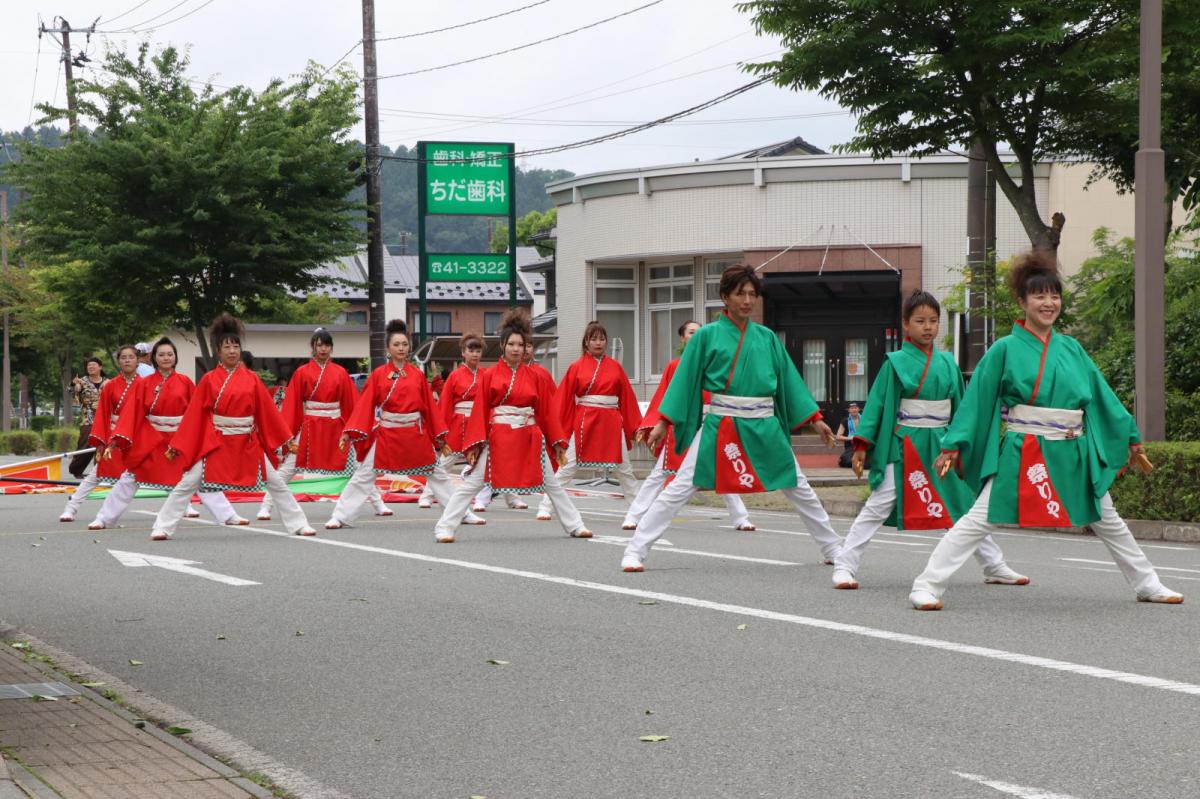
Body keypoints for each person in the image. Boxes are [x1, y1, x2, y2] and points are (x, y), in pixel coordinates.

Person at [909, 252, 1182, 609]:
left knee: (1108, 519)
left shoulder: (1071, 348)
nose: (1049, 303)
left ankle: (1147, 583)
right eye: (1039, 296)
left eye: (1054, 295)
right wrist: (954, 444)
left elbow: (1101, 395)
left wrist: (1129, 437)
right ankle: (926, 585)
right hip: (1025, 448)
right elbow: (977, 400)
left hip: (1072, 449)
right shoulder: (1004, 349)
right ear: (1022, 302)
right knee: (979, 519)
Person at [622, 264, 844, 572]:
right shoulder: (706, 336)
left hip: (764, 423)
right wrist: (663, 422)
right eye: (741, 294)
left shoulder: (767, 338)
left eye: (752, 294)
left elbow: (789, 381)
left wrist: (815, 419)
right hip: (721, 422)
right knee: (679, 487)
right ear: (725, 296)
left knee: (799, 487)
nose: (748, 300)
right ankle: (636, 549)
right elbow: (684, 381)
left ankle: (832, 547)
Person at [831, 291, 1028, 590]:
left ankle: (993, 565)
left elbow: (962, 407)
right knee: (879, 503)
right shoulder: (895, 363)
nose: (927, 327)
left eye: (933, 321)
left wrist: (959, 443)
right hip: (904, 444)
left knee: (962, 504)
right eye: (920, 321)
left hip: (941, 442)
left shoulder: (948, 362)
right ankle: (845, 565)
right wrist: (861, 445)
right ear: (906, 324)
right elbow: (877, 405)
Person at [149, 314, 316, 540]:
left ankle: (299, 524)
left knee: (276, 483)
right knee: (188, 483)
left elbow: (267, 411)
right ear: (218, 351)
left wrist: (285, 438)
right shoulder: (209, 379)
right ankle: (163, 526)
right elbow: (195, 415)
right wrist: (179, 444)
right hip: (217, 442)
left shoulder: (252, 379)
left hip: (247, 442)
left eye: (236, 346)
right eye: (226, 347)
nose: (232, 351)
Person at [433, 310, 591, 543]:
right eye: (512, 344)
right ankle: (445, 527)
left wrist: (557, 441)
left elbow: (546, 412)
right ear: (503, 345)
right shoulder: (490, 375)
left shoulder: (536, 376)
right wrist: (475, 443)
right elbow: (480, 410)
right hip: (499, 437)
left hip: (530, 436)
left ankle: (575, 525)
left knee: (552, 484)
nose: (517, 349)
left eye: (521, 344)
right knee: (474, 483)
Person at [88, 337, 243, 530]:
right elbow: (132, 412)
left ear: (175, 357)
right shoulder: (144, 384)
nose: (166, 358)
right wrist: (118, 437)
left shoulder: (185, 382)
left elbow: (197, 412)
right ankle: (104, 518)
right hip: (151, 439)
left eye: (170, 354)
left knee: (200, 476)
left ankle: (227, 515)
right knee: (130, 477)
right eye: (161, 354)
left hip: (179, 439)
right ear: (154, 358)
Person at [325, 319, 467, 529]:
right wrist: (350, 431)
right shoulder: (378, 375)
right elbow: (364, 405)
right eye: (396, 344)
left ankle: (461, 513)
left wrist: (440, 437)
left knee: (437, 474)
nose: (401, 348)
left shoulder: (417, 375)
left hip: (414, 433)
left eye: (405, 344)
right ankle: (341, 516)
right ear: (388, 349)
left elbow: (429, 407)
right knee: (364, 475)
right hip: (387, 433)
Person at [622, 319, 754, 532]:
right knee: (661, 472)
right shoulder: (675, 366)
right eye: (691, 332)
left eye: (699, 332)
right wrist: (656, 423)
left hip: (711, 423)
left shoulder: (716, 364)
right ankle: (634, 516)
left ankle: (741, 518)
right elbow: (665, 396)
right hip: (682, 425)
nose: (695, 336)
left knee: (723, 470)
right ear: (683, 338)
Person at [257, 329, 391, 521]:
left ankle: (378, 503)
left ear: (331, 348)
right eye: (319, 345)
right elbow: (293, 403)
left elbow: (351, 402)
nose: (323, 349)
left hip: (337, 427)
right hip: (310, 426)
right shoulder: (302, 372)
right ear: (313, 347)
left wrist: (352, 428)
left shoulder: (340, 373)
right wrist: (288, 434)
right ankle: (266, 505)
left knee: (357, 467)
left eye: (327, 345)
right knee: (289, 467)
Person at [537, 321, 642, 521]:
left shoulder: (616, 368)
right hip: (585, 421)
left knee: (624, 469)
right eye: (593, 339)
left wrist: (636, 426)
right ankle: (546, 505)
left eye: (602, 339)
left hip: (611, 421)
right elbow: (563, 398)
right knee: (568, 467)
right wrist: (556, 429)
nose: (598, 343)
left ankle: (638, 511)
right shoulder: (576, 367)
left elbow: (627, 397)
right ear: (586, 342)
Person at [59, 347, 139, 522]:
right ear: (118, 362)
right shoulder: (110, 385)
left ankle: (185, 506)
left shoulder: (145, 384)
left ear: (137, 360)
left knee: (161, 470)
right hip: (115, 436)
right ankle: (71, 507)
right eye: (123, 357)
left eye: (131, 357)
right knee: (97, 473)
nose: (127, 360)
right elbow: (103, 413)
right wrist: (102, 437)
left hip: (138, 436)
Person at [65, 357, 107, 482]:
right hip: (88, 419)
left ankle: (99, 471)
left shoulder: (108, 382)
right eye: (89, 365)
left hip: (106, 419)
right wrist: (74, 385)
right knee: (85, 445)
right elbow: (71, 390)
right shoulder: (82, 381)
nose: (91, 367)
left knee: (103, 446)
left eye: (94, 365)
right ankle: (76, 469)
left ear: (100, 367)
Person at [835, 402, 862, 468]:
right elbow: (838, 436)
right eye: (852, 408)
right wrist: (851, 438)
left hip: (862, 445)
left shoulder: (864, 420)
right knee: (847, 462)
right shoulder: (845, 421)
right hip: (851, 447)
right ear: (849, 410)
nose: (854, 410)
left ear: (859, 409)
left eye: (855, 408)